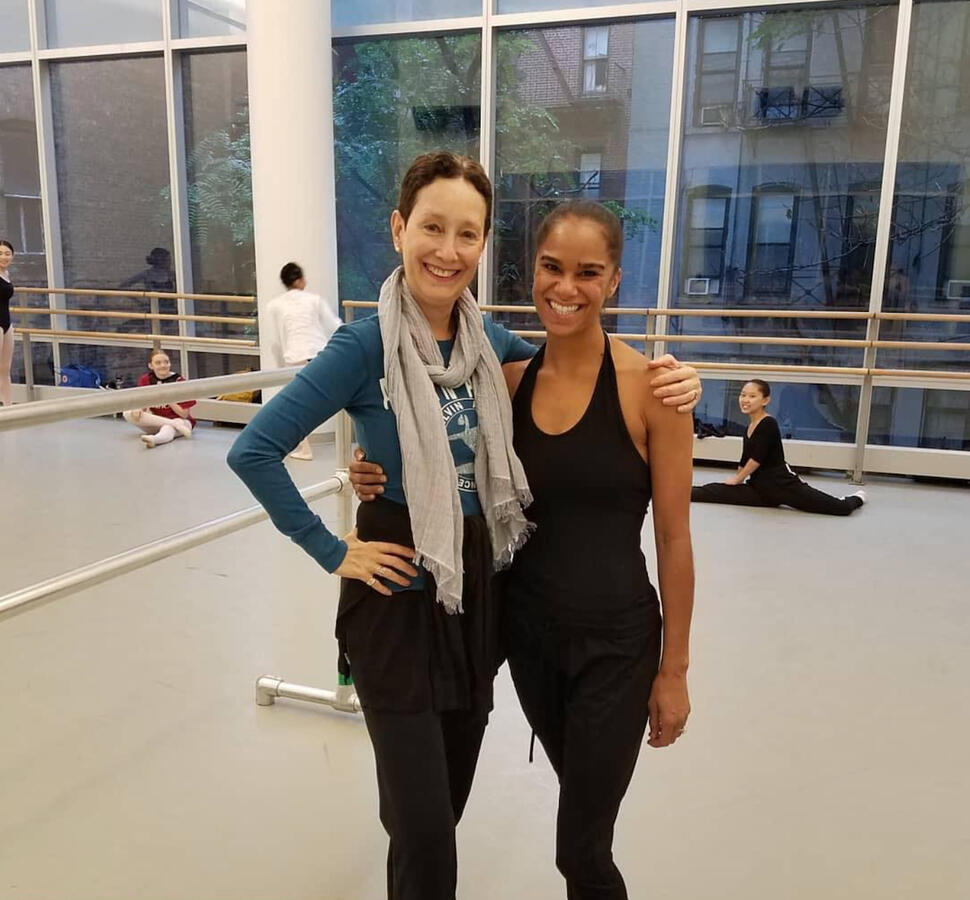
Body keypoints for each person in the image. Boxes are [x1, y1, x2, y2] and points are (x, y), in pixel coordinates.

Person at [228, 153, 701, 900]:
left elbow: (571, 369)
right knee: (423, 833)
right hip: (397, 598)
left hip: (478, 599)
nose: (447, 250)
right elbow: (253, 448)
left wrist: (680, 377)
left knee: (439, 815)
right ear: (398, 229)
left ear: (484, 248)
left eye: (467, 234)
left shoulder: (496, 353)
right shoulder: (363, 345)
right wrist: (334, 549)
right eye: (432, 228)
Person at [350, 200, 696, 900]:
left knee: (582, 850)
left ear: (615, 282)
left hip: (616, 648)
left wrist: (675, 670)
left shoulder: (652, 390)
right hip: (527, 638)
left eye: (587, 273)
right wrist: (370, 470)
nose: (566, 288)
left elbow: (673, 536)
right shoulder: (507, 381)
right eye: (551, 268)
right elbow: (441, 454)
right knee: (474, 810)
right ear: (532, 270)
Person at [691, 379, 866, 515]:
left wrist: (737, 480)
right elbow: (745, 459)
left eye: (752, 396)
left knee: (840, 508)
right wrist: (736, 482)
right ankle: (673, 495)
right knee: (714, 492)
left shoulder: (769, 423)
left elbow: (756, 459)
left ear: (765, 400)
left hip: (783, 486)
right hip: (759, 489)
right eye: (743, 395)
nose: (745, 400)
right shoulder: (749, 427)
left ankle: (856, 498)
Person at [263, 261, 342, 460]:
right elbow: (335, 325)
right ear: (299, 280)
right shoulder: (314, 300)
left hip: (295, 358)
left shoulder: (275, 305)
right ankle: (334, 444)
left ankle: (305, 448)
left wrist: (279, 363)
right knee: (333, 399)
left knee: (295, 406)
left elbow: (275, 339)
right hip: (320, 355)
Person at [122, 349, 196, 448]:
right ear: (151, 366)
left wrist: (167, 398)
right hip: (157, 422)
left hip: (181, 421)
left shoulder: (179, 381)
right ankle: (174, 425)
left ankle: (155, 439)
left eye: (166, 362)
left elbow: (184, 414)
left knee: (168, 428)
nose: (163, 365)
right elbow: (142, 406)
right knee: (127, 413)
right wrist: (138, 409)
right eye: (158, 363)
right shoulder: (146, 380)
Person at [0, 240, 15, 407]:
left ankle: (8, 407)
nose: (4, 257)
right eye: (0, 253)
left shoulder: (6, 274)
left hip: (6, 323)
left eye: (7, 253)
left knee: (5, 369)